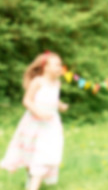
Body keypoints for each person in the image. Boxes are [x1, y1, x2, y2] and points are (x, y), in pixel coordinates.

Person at [1, 51, 69, 190]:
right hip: (34, 123)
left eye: (60, 64)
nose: (60, 67)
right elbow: (26, 100)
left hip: (51, 125)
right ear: (45, 67)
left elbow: (53, 99)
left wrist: (61, 105)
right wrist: (38, 112)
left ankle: (33, 184)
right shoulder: (37, 82)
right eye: (56, 64)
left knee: (44, 155)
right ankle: (31, 180)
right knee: (32, 154)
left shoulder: (57, 83)